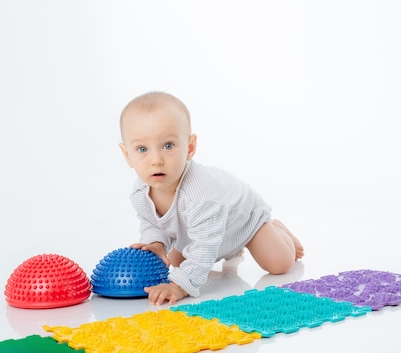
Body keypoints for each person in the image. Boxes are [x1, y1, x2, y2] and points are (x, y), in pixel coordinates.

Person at [118, 91, 304, 306]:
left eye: (168, 146)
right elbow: (151, 222)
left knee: (279, 264)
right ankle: (229, 250)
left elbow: (205, 248)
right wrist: (157, 244)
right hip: (202, 231)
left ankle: (276, 229)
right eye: (142, 149)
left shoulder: (200, 196)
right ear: (127, 155)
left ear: (190, 147)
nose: (156, 160)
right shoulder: (140, 192)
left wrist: (179, 286)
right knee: (177, 262)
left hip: (242, 221)